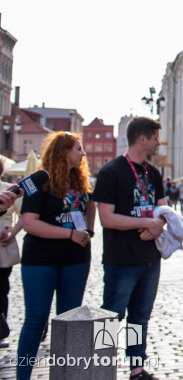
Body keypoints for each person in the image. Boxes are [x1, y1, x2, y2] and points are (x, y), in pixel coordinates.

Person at [93, 116, 167, 380]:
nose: (158, 143)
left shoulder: (154, 172)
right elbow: (107, 218)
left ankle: (136, 368)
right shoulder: (111, 172)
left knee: (140, 316)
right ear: (142, 138)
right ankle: (101, 367)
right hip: (121, 258)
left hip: (150, 257)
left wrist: (156, 223)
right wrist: (147, 222)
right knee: (111, 315)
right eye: (155, 138)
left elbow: (163, 209)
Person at [15, 132, 94, 378]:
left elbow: (90, 204)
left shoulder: (80, 180)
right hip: (40, 260)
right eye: (78, 149)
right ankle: (23, 376)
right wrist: (69, 235)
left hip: (76, 260)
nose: (83, 154)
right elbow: (29, 223)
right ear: (63, 152)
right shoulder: (37, 182)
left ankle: (64, 374)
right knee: (36, 322)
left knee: (69, 322)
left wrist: (88, 230)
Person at [0, 158, 23, 349]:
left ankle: (1, 330)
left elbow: (25, 215)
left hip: (3, 248)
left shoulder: (8, 189)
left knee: (2, 289)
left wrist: (12, 232)